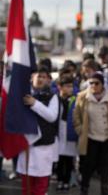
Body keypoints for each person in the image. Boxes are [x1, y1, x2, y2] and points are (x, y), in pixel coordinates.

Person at [73, 72, 108, 195]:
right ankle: (84, 187)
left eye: (97, 83)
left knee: (105, 165)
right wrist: (79, 129)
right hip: (90, 137)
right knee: (88, 165)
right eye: (91, 83)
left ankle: (104, 187)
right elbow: (76, 115)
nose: (93, 85)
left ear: (102, 84)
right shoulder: (82, 96)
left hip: (106, 137)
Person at [18, 67, 59, 195]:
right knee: (26, 188)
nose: (40, 79)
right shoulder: (22, 94)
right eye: (38, 76)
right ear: (32, 77)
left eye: (44, 77)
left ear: (48, 80)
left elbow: (52, 116)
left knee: (40, 188)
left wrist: (35, 103)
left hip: (43, 147)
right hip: (26, 147)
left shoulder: (52, 97)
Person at [56, 76, 78, 191]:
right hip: (59, 132)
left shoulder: (75, 99)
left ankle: (66, 180)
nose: (70, 89)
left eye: (71, 86)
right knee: (59, 159)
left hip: (70, 132)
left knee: (69, 160)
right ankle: (59, 180)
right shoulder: (55, 99)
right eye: (67, 86)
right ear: (60, 87)